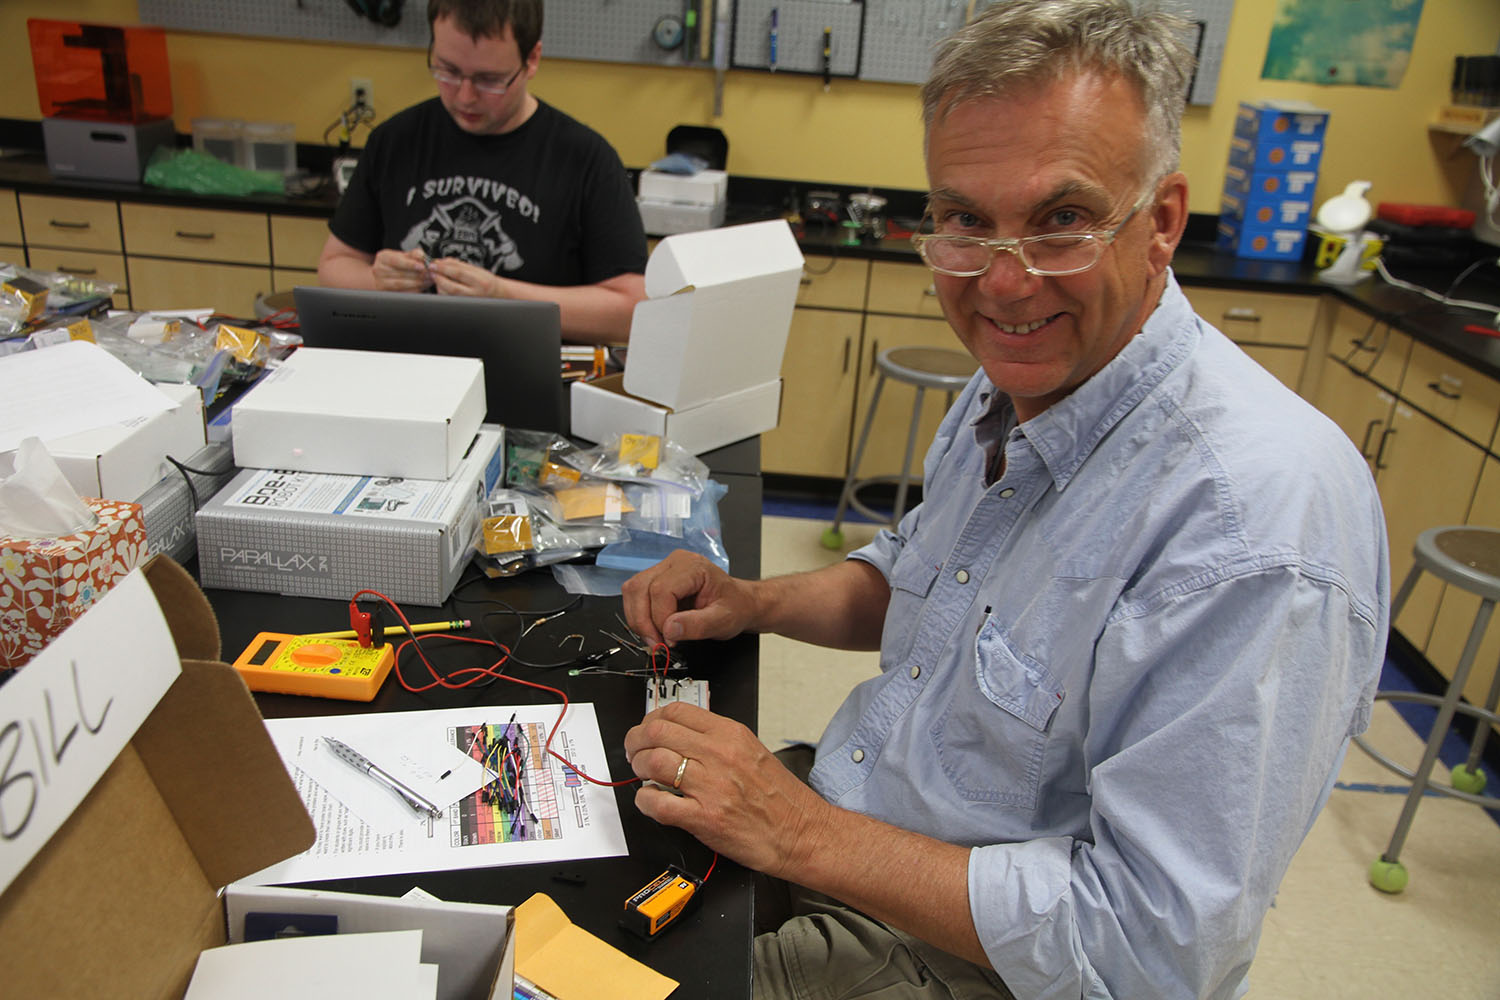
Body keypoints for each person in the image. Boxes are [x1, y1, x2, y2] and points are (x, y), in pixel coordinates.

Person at [620, 1, 1390, 997]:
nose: (1005, 283)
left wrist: (799, 831)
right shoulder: (1027, 381)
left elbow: (1151, 950)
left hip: (977, 958)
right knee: (573, 887)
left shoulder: (1253, 525)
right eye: (966, 223)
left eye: (1062, 221)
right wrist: (754, 602)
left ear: (1162, 223)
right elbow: (926, 577)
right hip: (864, 814)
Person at [317, 0, 647, 344]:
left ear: (532, 59)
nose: (465, 97)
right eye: (448, 70)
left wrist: (503, 296)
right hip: (410, 366)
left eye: (489, 80)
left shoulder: (585, 159)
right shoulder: (394, 141)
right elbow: (334, 265)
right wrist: (376, 282)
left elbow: (631, 309)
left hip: (525, 372)